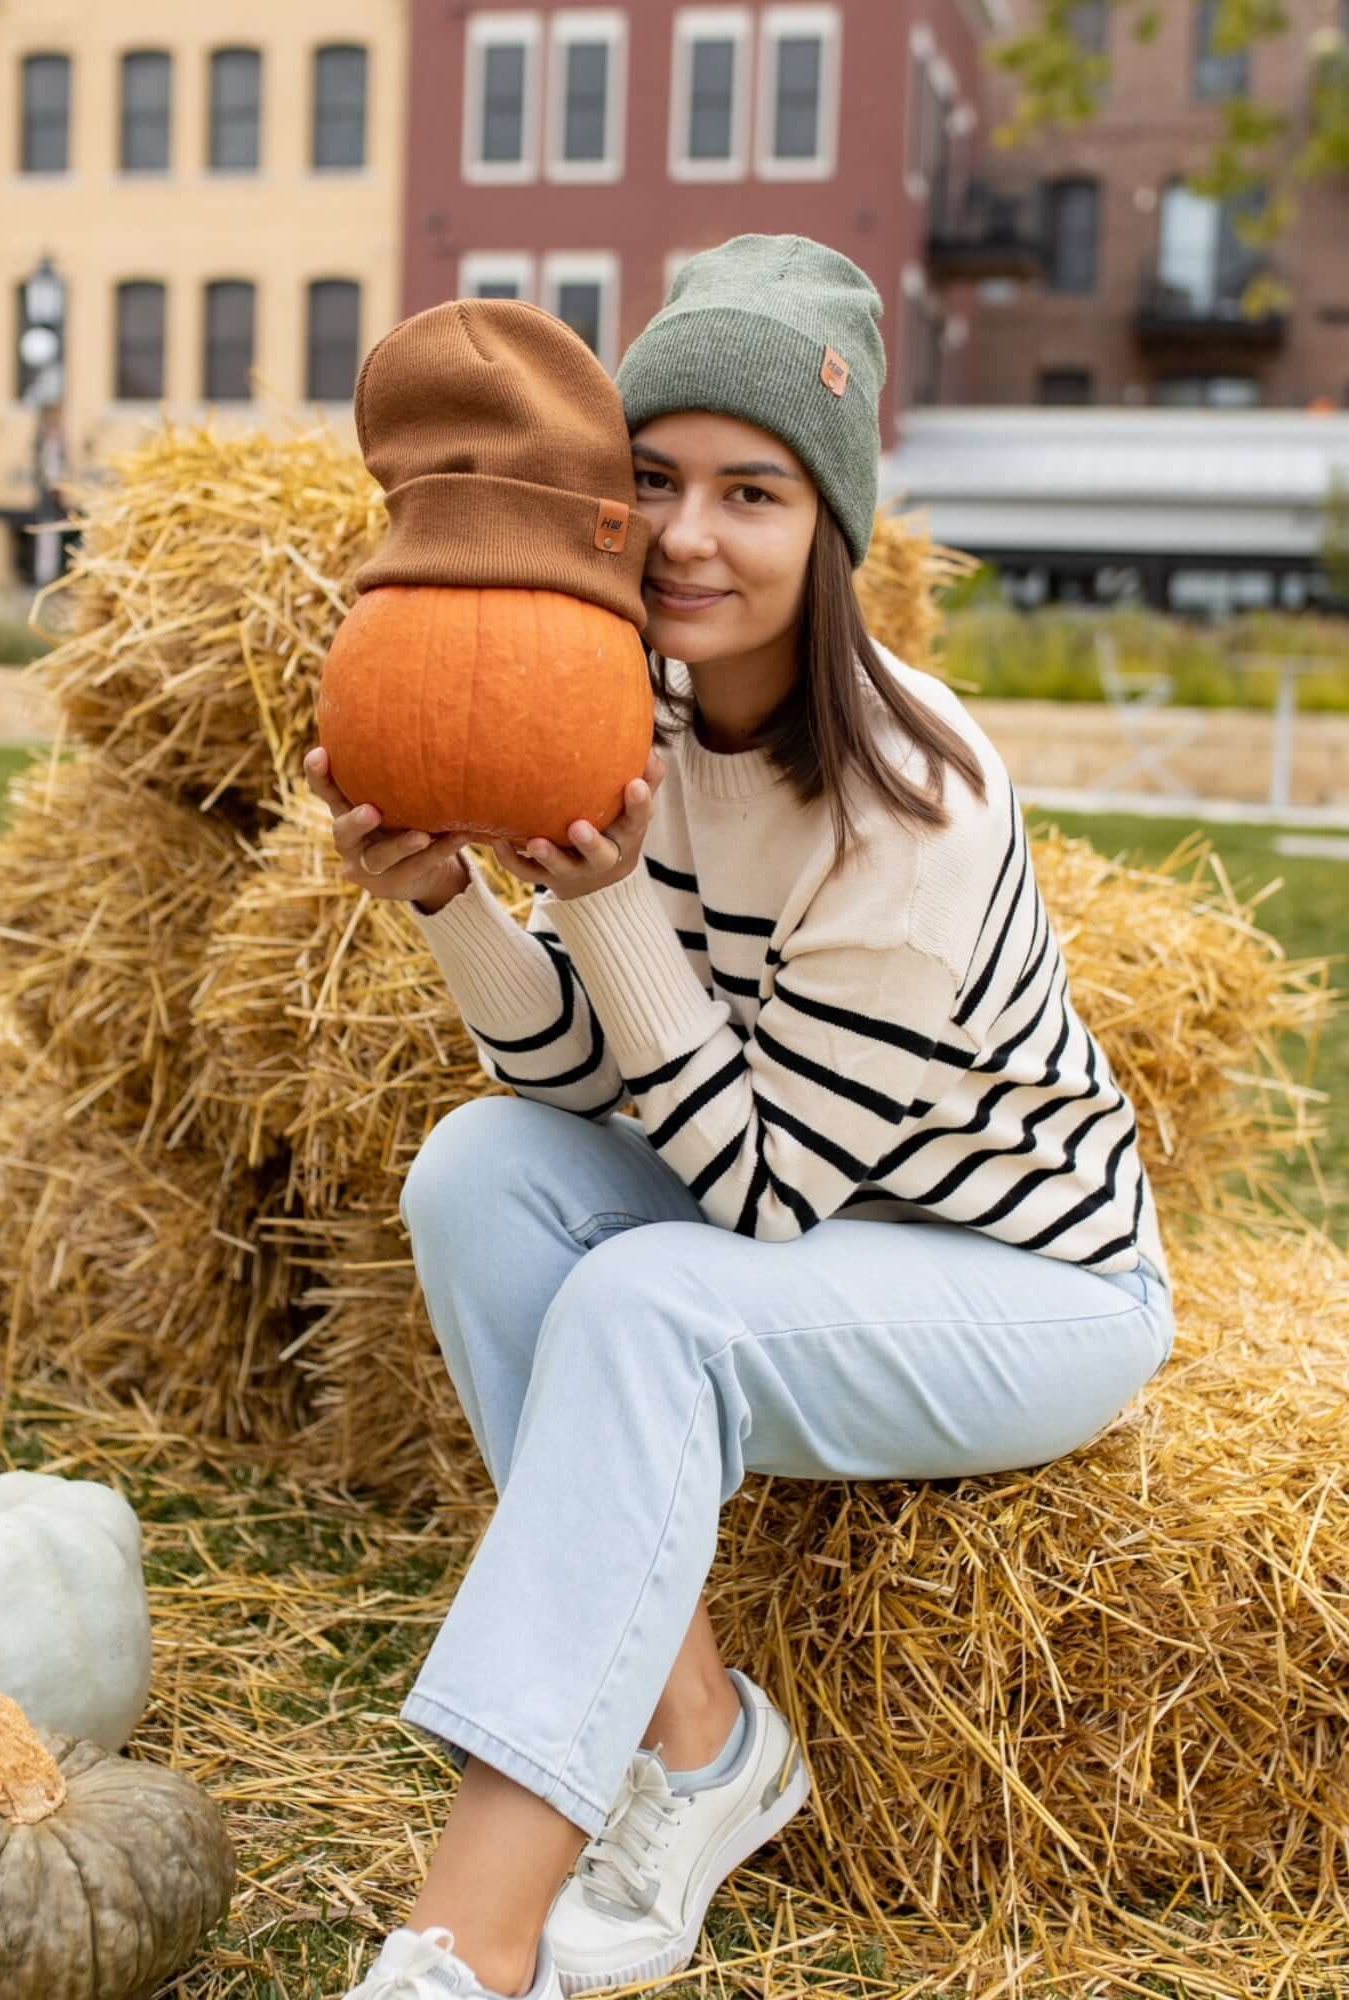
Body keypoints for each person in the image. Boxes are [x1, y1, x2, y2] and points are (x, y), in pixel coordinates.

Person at [303, 235, 1174, 2000]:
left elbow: (760, 1200)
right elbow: (570, 1081)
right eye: (652, 480)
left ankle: (464, 1943)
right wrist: (458, 902)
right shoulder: (626, 712)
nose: (690, 533)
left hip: (1021, 1278)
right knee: (480, 1172)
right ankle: (701, 1747)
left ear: (831, 530)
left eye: (752, 491)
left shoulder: (916, 796)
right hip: (802, 1221)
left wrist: (618, 901)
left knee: (655, 1299)